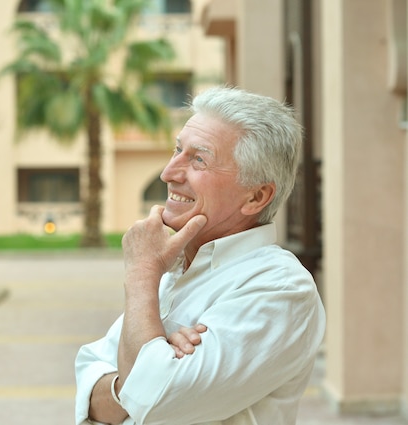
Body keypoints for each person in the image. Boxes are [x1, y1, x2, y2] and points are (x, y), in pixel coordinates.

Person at [74, 86, 326, 425]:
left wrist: (141, 276)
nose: (169, 173)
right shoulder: (176, 268)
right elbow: (89, 388)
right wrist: (144, 366)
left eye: (198, 159)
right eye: (178, 150)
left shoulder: (281, 288)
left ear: (256, 196)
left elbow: (155, 399)